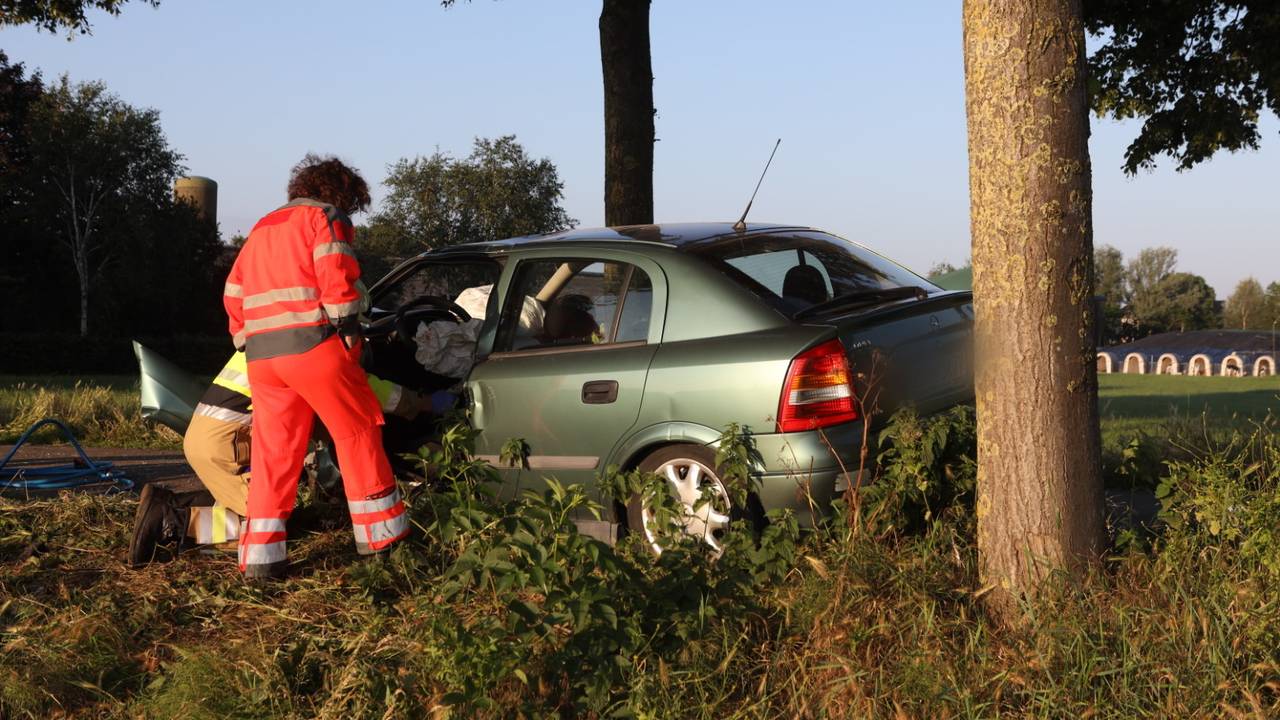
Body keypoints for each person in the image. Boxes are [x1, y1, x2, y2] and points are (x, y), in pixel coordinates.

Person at [223, 155, 409, 580]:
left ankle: (261, 563)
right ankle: (383, 543)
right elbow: (337, 279)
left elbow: (234, 294)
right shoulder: (325, 218)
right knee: (357, 432)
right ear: (340, 193)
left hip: (263, 359)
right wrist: (348, 332)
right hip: (314, 347)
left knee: (274, 455)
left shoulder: (262, 227)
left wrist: (247, 339)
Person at [127, 350, 428, 567]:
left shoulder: (271, 337)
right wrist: (421, 403)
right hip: (230, 447)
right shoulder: (316, 349)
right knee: (271, 532)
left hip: (213, 440)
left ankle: (169, 503)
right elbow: (362, 389)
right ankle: (173, 521)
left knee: (255, 502)